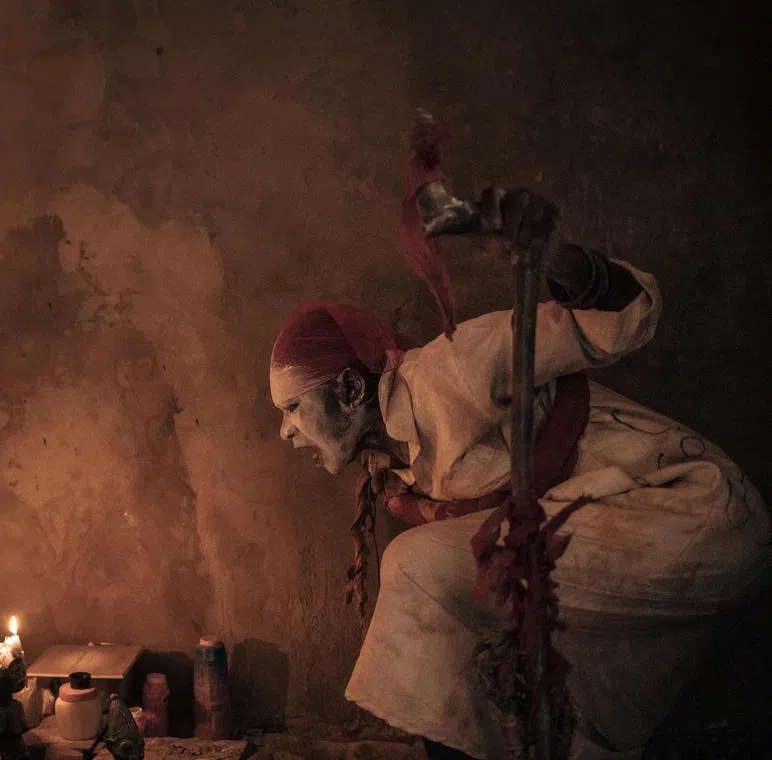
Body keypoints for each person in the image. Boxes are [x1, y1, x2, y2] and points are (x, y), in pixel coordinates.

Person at [268, 188, 771, 760]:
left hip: (692, 514)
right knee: (478, 626)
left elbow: (624, 317)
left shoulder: (449, 371)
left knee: (417, 566)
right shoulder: (395, 464)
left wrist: (556, 258)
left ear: (352, 388)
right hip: (626, 534)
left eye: (292, 409)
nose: (286, 432)